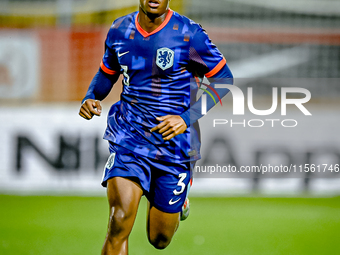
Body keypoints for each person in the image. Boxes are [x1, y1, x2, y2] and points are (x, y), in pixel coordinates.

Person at [79, 0, 233, 254]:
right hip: (129, 137)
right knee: (118, 222)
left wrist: (186, 118)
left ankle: (178, 203)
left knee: (159, 239)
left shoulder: (189, 33)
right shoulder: (120, 29)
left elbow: (224, 80)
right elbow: (108, 72)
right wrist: (91, 96)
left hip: (174, 147)